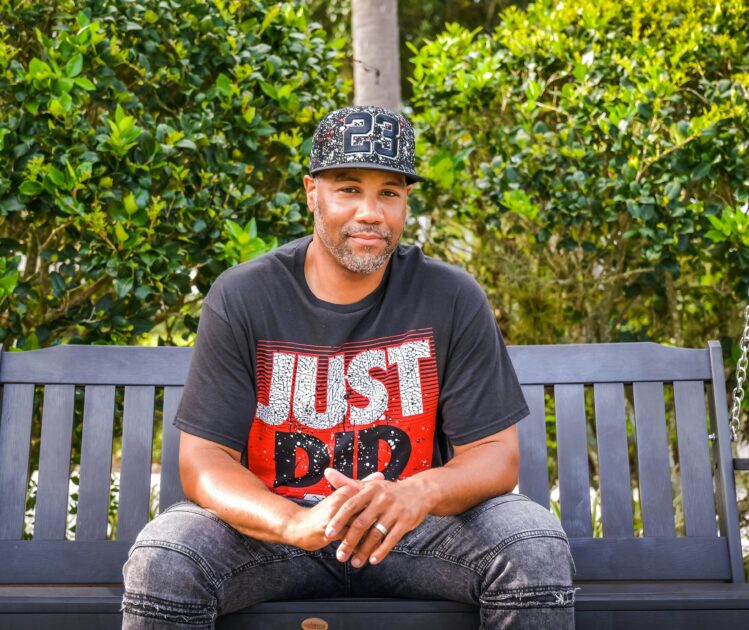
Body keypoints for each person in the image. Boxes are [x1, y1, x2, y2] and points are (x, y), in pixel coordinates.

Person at [121, 105, 575, 629]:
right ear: (312, 192)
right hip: (277, 534)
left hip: (415, 531)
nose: (371, 212)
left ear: (406, 202)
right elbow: (204, 461)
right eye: (349, 188)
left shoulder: (450, 296)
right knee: (166, 559)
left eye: (389, 193)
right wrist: (293, 521)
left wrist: (416, 493)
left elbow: (495, 455)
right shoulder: (244, 295)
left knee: (534, 547)